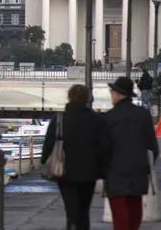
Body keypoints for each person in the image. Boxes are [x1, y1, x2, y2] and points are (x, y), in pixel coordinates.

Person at [41, 84, 110, 230]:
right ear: (87, 98)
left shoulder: (59, 119)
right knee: (84, 211)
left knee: (71, 210)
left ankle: (72, 226)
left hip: (65, 171)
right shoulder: (96, 119)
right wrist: (103, 170)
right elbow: (103, 147)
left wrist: (44, 163)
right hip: (89, 172)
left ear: (70, 97)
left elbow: (49, 144)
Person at [104, 77, 158, 230]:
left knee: (120, 219)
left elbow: (102, 149)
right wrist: (147, 166)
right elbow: (152, 147)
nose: (111, 94)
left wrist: (104, 172)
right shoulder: (143, 115)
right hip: (138, 173)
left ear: (119, 94)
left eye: (112, 91)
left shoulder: (108, 118)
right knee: (134, 217)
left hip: (115, 175)